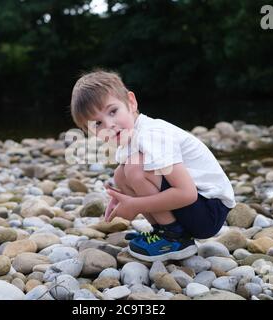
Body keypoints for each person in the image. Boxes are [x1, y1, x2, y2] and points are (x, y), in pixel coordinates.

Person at [70, 69, 236, 262]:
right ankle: (162, 232)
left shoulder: (152, 135)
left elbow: (187, 193)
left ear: (131, 102)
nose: (109, 125)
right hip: (196, 207)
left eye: (113, 111)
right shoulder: (129, 141)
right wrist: (124, 198)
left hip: (210, 210)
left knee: (134, 168)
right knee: (121, 174)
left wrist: (135, 205)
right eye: (97, 123)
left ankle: (174, 238)